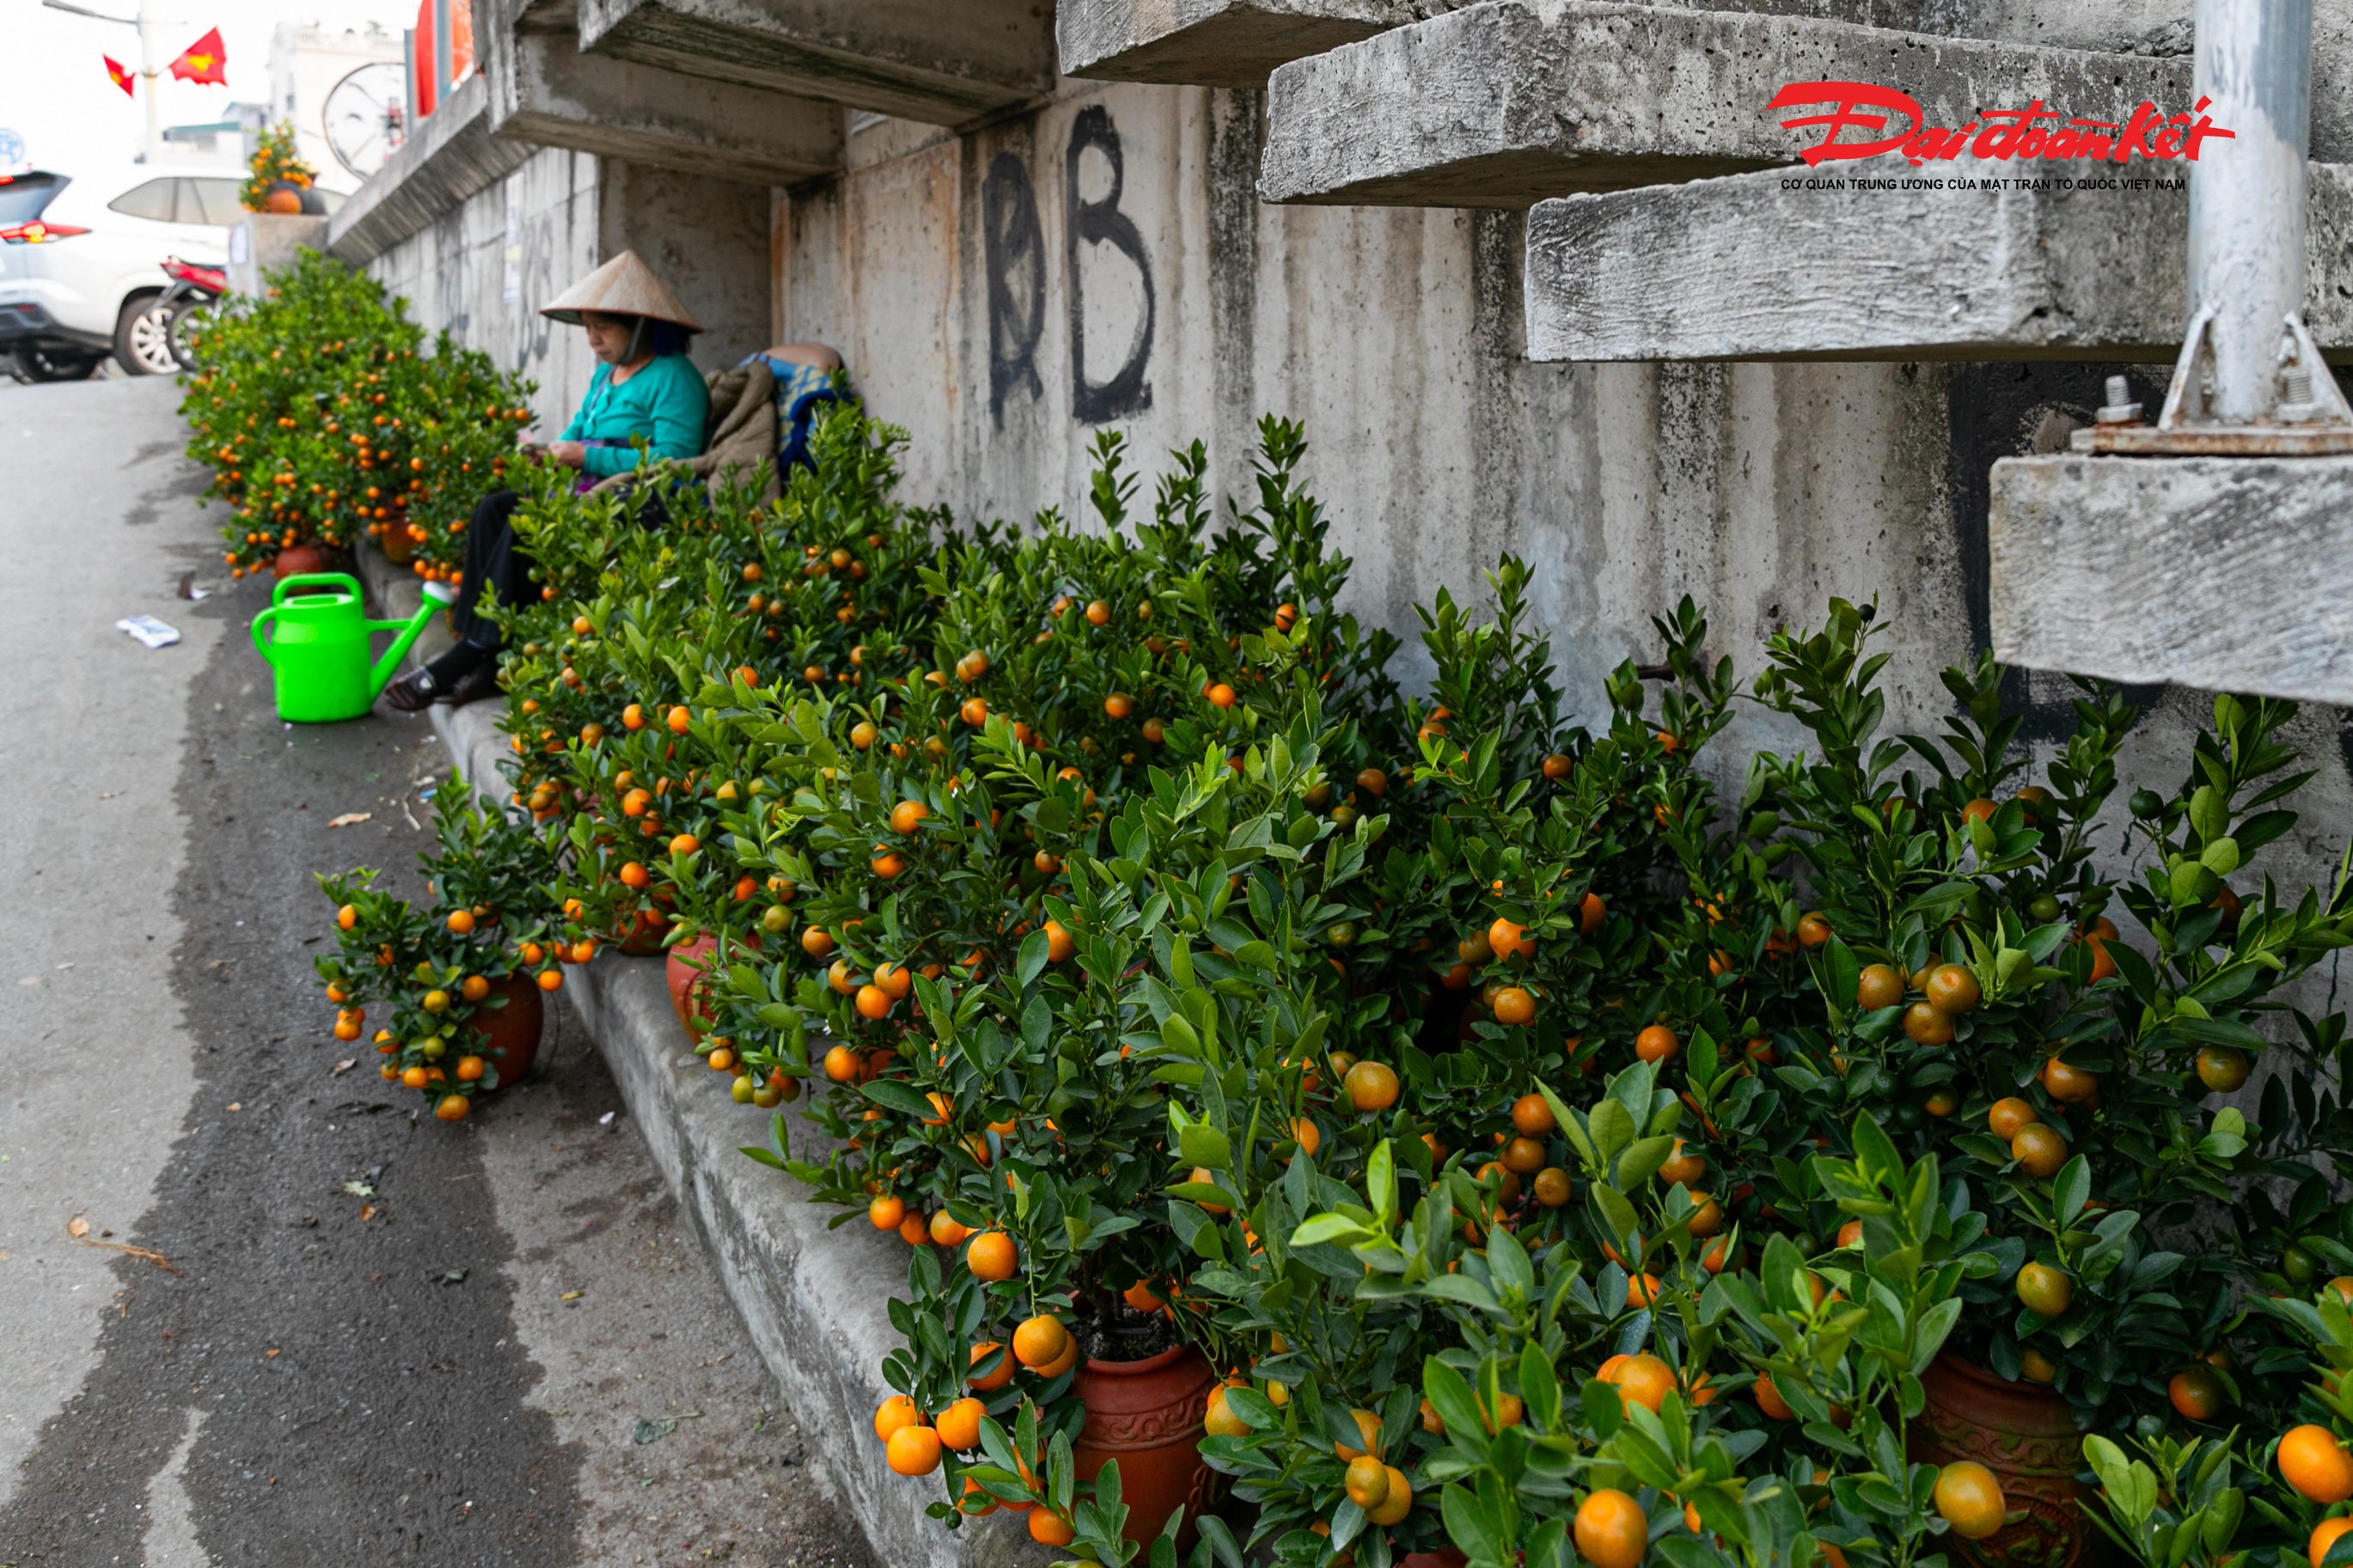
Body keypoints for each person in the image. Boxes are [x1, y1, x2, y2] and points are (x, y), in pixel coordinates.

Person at [387, 251, 711, 711]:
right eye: (587, 327)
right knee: (494, 507)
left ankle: (474, 652)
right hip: (590, 491)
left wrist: (588, 457)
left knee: (525, 523)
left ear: (640, 325)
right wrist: (550, 451)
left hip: (641, 501)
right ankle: (482, 645)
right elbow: (577, 429)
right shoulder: (606, 375)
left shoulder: (675, 377)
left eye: (604, 327)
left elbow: (675, 460)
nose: (593, 339)